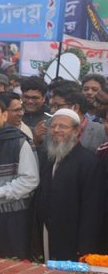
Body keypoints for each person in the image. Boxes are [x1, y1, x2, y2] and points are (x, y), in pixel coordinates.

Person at [36, 109, 104, 261]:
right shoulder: (48, 157)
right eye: (53, 126)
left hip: (74, 235)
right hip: (49, 230)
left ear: (77, 130)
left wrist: (86, 246)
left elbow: (92, 209)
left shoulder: (89, 162)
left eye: (63, 126)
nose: (56, 130)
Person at [0, 96, 39, 259]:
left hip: (13, 214)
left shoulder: (18, 141)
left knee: (12, 259)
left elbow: (30, 179)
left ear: (4, 115)